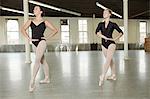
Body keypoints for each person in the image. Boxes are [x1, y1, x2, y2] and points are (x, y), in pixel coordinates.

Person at [21, 6, 58, 92]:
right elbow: (22, 29)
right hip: (34, 42)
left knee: (37, 60)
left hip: (41, 41)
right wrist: (29, 38)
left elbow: (55, 30)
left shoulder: (45, 22)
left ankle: (32, 81)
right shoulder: (30, 21)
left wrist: (47, 38)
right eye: (33, 9)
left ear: (41, 12)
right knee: (42, 61)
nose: (34, 10)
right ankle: (47, 78)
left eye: (36, 9)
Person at [95, 9, 123, 86]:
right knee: (110, 60)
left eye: (106, 12)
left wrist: (115, 39)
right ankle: (113, 75)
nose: (104, 13)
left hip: (111, 43)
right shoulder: (100, 24)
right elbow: (97, 32)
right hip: (103, 44)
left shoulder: (113, 24)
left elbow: (121, 32)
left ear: (110, 14)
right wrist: (104, 37)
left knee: (108, 60)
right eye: (103, 12)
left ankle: (102, 75)